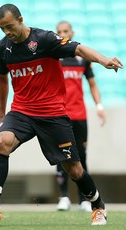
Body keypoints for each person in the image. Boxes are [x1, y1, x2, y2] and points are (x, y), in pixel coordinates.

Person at [0, 4, 123, 226]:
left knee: (74, 170)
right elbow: (1, 78)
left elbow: (78, 49)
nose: (7, 32)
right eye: (2, 29)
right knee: (2, 142)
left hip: (52, 114)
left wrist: (103, 60)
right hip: (21, 111)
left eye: (9, 26)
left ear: (20, 19)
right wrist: (2, 114)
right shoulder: (2, 49)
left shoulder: (45, 40)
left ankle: (97, 206)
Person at [55, 21, 107, 212]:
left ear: (72, 32)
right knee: (61, 156)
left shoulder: (82, 58)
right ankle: (63, 197)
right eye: (59, 32)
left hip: (79, 115)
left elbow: (92, 84)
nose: (62, 34)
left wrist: (99, 105)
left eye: (65, 31)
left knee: (81, 157)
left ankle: (84, 199)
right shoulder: (54, 57)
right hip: (59, 114)